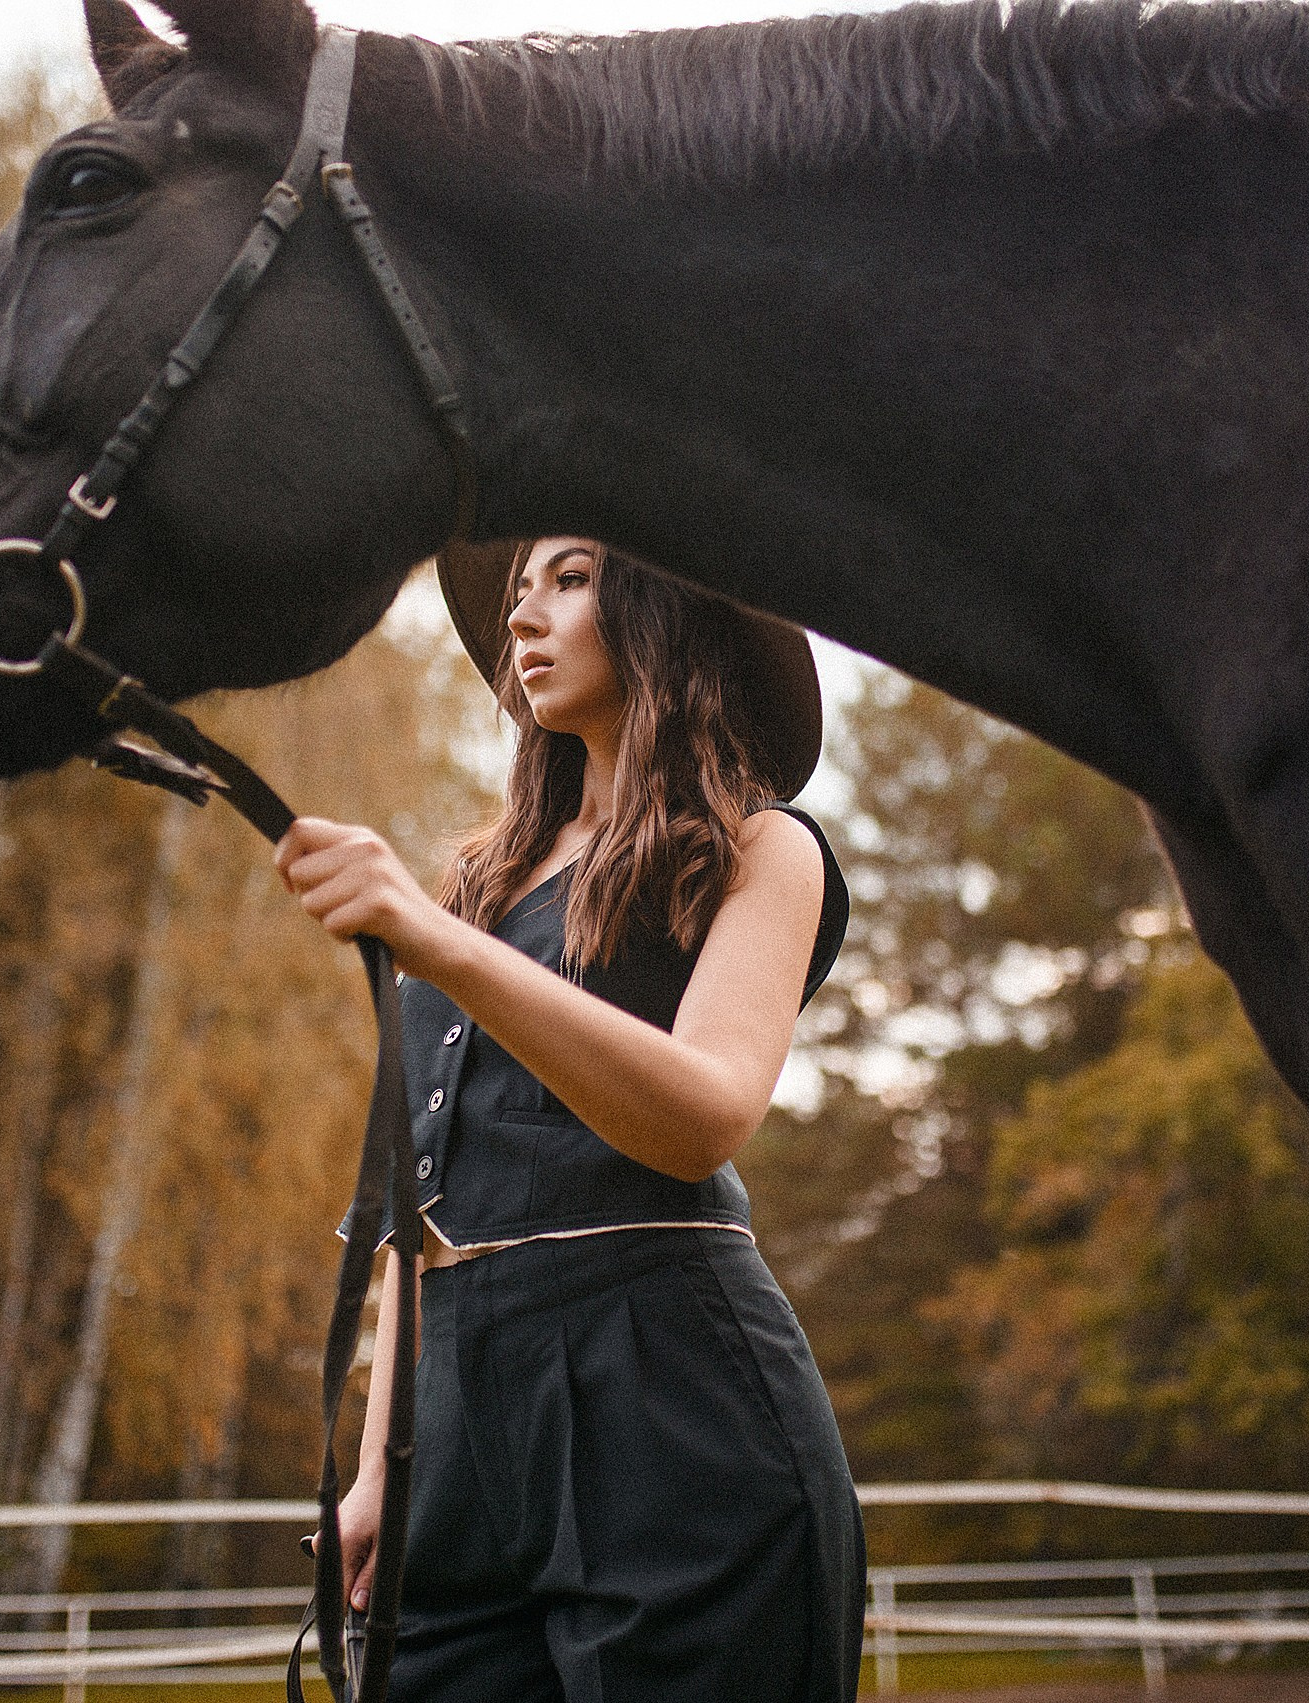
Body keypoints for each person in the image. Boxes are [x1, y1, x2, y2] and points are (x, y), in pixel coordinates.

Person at [272, 536, 863, 1703]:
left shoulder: (760, 845)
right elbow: (414, 1214)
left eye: (572, 578)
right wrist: (386, 1467)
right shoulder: (478, 888)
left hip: (668, 1398)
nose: (524, 615)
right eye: (518, 590)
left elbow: (705, 1115)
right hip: (457, 1419)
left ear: (665, 615)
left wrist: (434, 943)